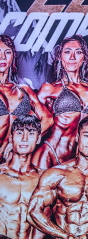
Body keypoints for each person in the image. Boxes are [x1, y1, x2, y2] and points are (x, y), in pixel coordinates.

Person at [0, 114, 49, 239]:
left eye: (31, 133)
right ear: (11, 137)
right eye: (19, 133)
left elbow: (39, 233)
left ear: (38, 138)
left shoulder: (43, 179)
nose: (25, 138)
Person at [0, 34, 54, 168]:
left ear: (13, 56)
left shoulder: (24, 90)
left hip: (16, 161)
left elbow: (48, 120)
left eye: (8, 52)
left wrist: (22, 143)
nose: (2, 57)